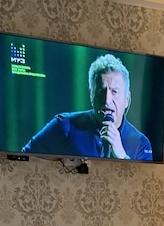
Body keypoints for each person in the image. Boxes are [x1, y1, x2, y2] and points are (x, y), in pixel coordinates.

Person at [22, 54, 153, 161]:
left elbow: (142, 182)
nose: (107, 100)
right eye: (101, 91)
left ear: (127, 99)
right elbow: (25, 157)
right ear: (91, 95)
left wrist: (122, 156)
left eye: (114, 92)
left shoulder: (141, 143)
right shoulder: (65, 125)